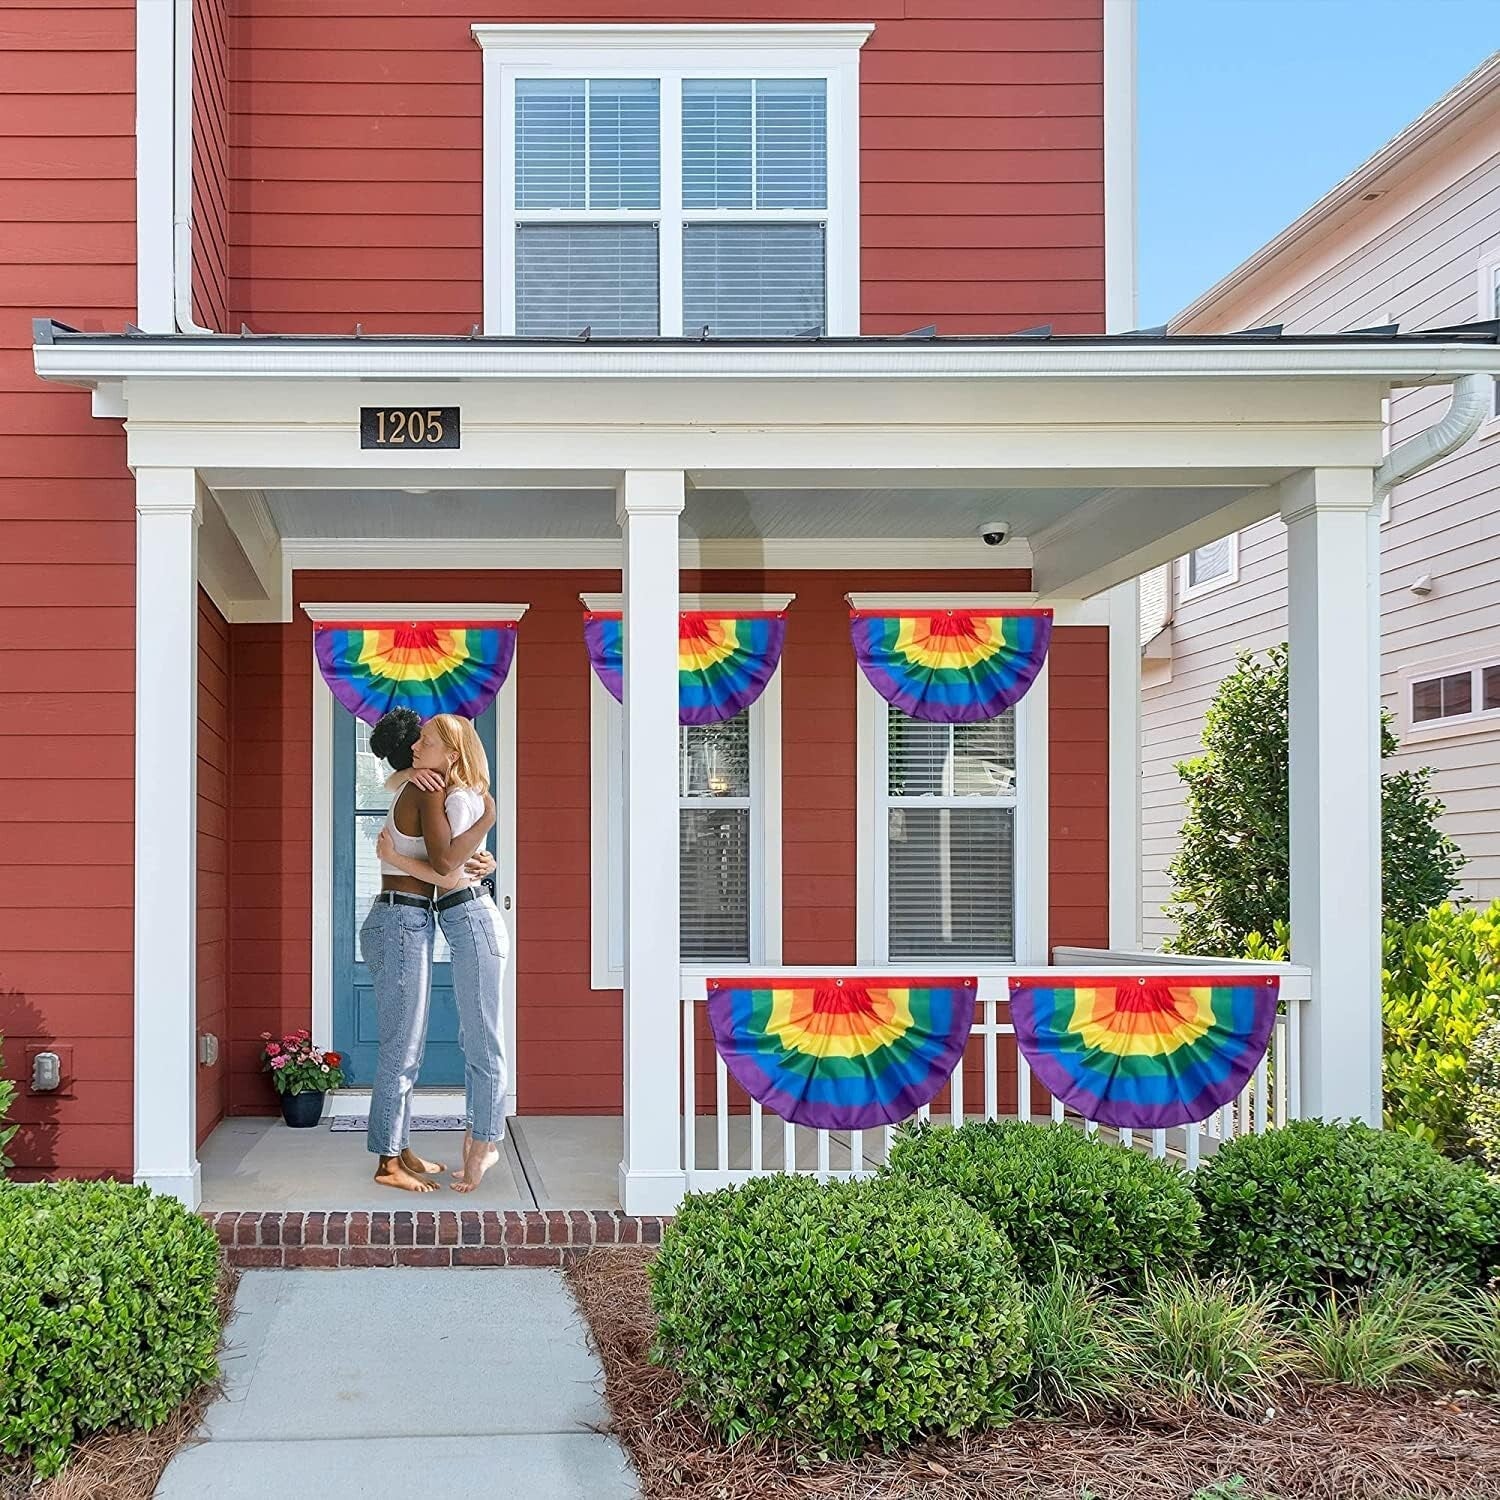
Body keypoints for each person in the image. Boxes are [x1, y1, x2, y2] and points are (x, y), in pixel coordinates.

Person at [363, 708, 495, 1194]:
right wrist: (488, 818)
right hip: (401, 919)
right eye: (416, 741)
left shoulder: (414, 783)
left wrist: (482, 855)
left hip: (403, 917)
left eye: (426, 742)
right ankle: (387, 1162)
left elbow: (451, 858)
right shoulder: (429, 788)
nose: (417, 747)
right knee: (403, 1045)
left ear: (449, 753)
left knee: (408, 1044)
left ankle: (399, 1145)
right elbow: (444, 866)